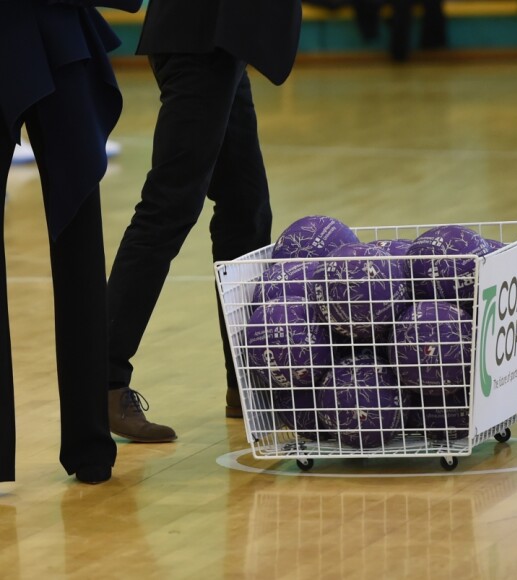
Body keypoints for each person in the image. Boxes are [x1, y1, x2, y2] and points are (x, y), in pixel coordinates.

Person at [106, 0, 303, 440]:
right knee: (169, 207)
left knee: (246, 212)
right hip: (201, 33)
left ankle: (247, 383)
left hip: (224, 40)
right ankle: (103, 383)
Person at [0, 0, 143, 484]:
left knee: (79, 235)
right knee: (79, 237)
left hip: (55, 27)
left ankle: (90, 444)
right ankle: (89, 448)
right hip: (51, 26)